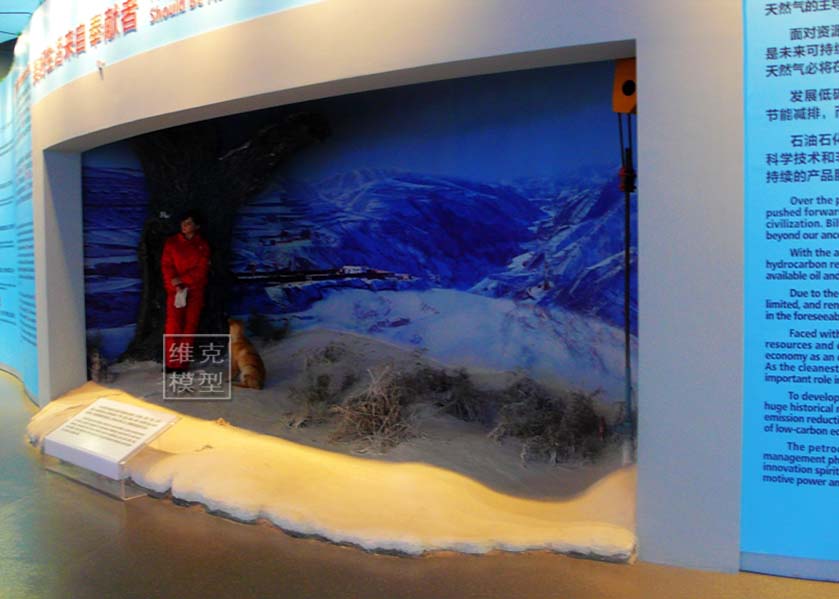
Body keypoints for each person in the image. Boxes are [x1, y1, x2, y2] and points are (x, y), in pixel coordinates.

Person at [161, 210, 211, 371]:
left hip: (195, 290)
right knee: (173, 326)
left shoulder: (202, 245)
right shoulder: (171, 243)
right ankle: (171, 363)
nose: (184, 225)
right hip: (175, 290)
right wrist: (175, 283)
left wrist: (182, 279)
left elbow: (202, 270)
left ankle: (182, 363)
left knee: (189, 327)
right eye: (183, 222)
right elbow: (166, 266)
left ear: (196, 226)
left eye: (188, 223)